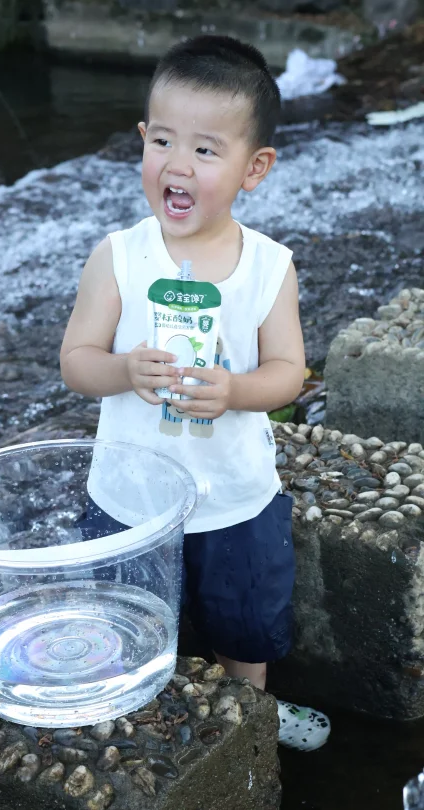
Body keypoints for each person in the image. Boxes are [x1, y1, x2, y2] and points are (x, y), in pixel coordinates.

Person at [60, 34, 330, 752]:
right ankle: (148, 725)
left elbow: (289, 372)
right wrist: (124, 371)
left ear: (255, 168)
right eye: (165, 142)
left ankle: (251, 722)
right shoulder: (119, 257)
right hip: (130, 497)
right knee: (132, 618)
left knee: (247, 622)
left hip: (236, 497)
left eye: (207, 151)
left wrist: (238, 389)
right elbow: (77, 362)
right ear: (143, 141)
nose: (178, 166)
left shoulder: (268, 267)